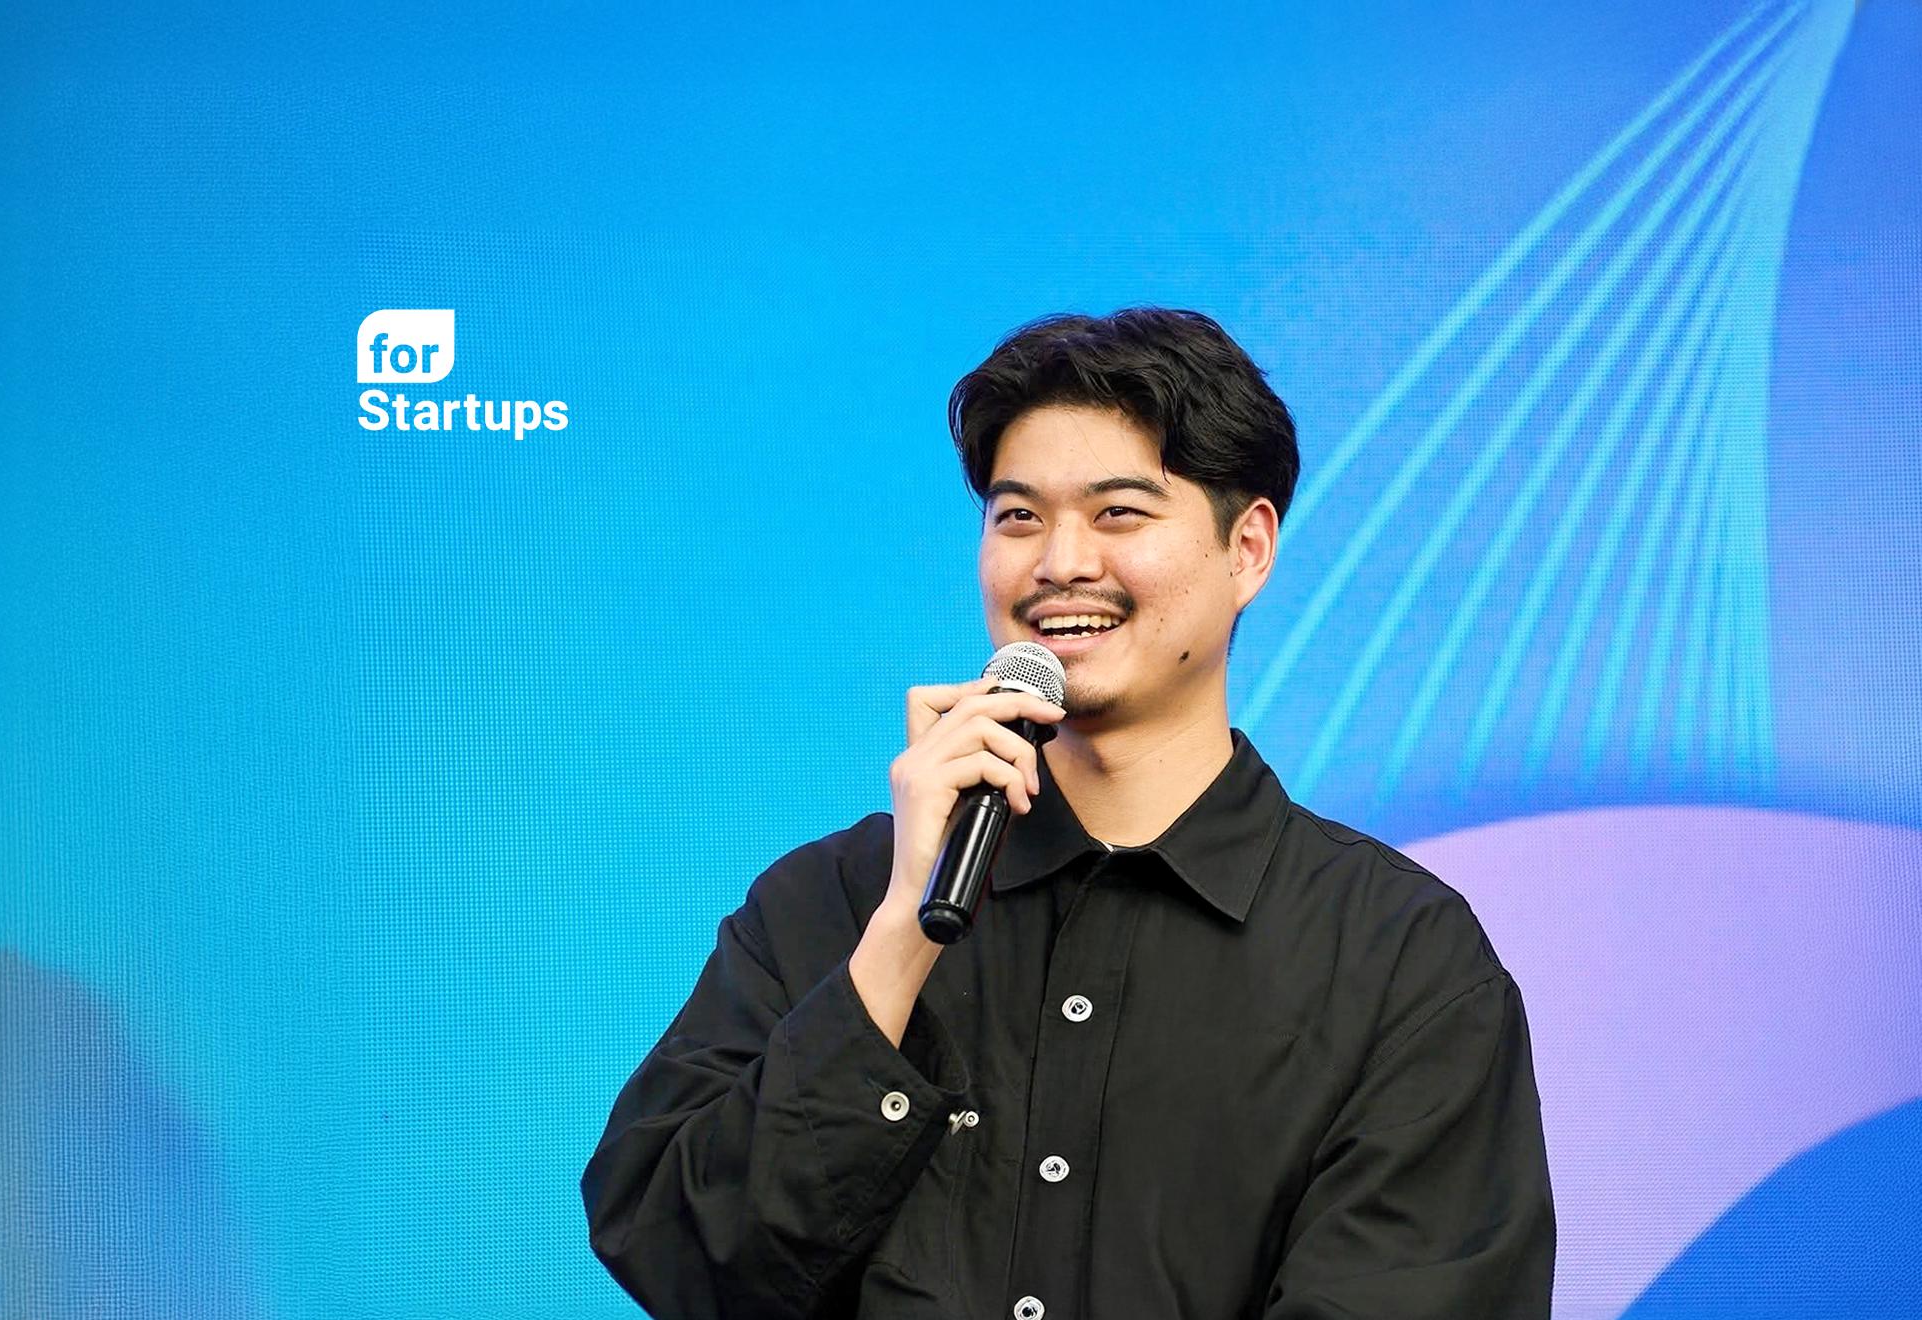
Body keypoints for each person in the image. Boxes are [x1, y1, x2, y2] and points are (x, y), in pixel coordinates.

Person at [581, 308, 1555, 1319]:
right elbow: (676, 1257)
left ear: (1248, 549)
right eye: (1018, 518)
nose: (1060, 564)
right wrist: (901, 941)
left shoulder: (1399, 959)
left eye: (1119, 513)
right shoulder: (830, 902)